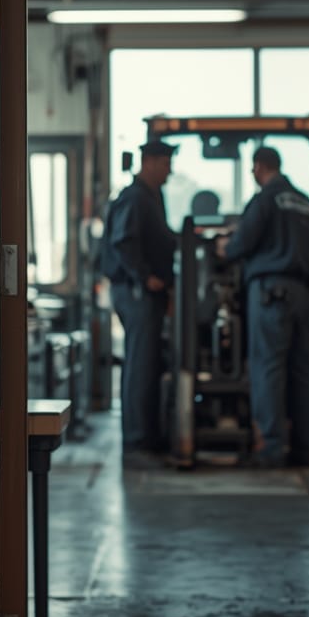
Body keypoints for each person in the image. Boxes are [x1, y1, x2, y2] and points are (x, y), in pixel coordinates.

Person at [216, 146, 309, 468]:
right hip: (303, 293)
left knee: (268, 368)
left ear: (260, 166)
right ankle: (308, 449)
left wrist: (225, 248)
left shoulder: (265, 200)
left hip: (271, 293)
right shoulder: (305, 202)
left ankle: (271, 450)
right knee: (303, 372)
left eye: (253, 168)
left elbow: (242, 243)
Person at [106, 139, 178, 458]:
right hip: (136, 291)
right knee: (140, 364)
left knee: (148, 363)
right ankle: (137, 438)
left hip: (146, 291)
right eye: (165, 164)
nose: (169, 172)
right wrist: (144, 276)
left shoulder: (151, 197)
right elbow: (123, 241)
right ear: (148, 162)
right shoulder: (135, 197)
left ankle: (147, 433)